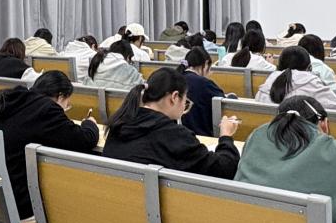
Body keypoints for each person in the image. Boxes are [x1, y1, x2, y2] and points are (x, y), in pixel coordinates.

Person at [0, 71, 100, 218]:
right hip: (24, 202)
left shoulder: (15, 100)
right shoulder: (46, 109)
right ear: (60, 96)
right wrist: (90, 124)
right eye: (67, 103)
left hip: (1, 196)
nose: (65, 108)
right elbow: (85, 140)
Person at [102, 68, 240, 177]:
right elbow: (225, 169)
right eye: (185, 102)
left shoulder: (119, 123)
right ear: (174, 97)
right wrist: (226, 136)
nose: (184, 108)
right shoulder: (174, 135)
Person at [256, 47, 336, 111]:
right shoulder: (313, 83)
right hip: (304, 132)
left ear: (279, 66)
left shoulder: (269, 82)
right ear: (309, 68)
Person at [179, 47, 226, 136]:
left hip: (181, 134)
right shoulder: (204, 83)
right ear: (206, 64)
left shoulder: (176, 78)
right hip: (203, 135)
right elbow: (224, 105)